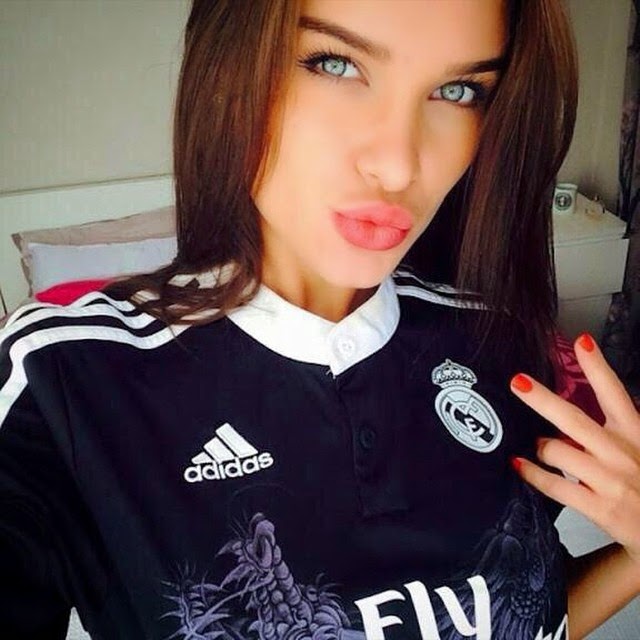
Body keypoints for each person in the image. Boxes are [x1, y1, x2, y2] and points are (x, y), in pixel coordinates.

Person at [1, 0, 639, 638]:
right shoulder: (69, 382)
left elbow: (513, 614)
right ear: (227, 74)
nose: (398, 165)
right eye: (336, 64)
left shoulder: (498, 344)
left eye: (457, 91)